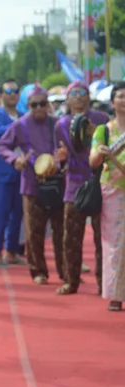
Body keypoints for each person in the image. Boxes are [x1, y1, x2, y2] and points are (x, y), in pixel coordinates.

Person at [0, 86, 65, 285]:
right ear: (28, 106)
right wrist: (15, 159)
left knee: (61, 230)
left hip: (57, 181)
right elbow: (2, 145)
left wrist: (62, 158)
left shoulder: (58, 124)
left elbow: (69, 147)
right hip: (32, 184)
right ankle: (38, 271)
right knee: (34, 231)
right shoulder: (20, 125)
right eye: (34, 105)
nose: (39, 108)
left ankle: (65, 271)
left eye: (43, 104)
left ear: (48, 104)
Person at [54, 81, 109, 295]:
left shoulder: (102, 120)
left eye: (82, 93)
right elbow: (59, 155)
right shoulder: (61, 124)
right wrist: (60, 160)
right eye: (74, 94)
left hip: (98, 182)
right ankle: (71, 280)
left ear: (88, 97)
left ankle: (104, 282)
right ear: (68, 99)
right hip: (74, 184)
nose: (78, 97)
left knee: (101, 237)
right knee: (71, 237)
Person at [89, 81, 125, 311]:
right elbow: (92, 161)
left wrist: (112, 158)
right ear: (112, 103)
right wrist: (102, 154)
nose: (124, 100)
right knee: (113, 244)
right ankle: (114, 294)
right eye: (120, 96)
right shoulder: (104, 130)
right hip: (112, 190)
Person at [0, 79, 25, 268]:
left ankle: (12, 252)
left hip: (22, 171)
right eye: (8, 91)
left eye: (15, 91)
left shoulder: (24, 114)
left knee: (18, 214)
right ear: (1, 95)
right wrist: (20, 129)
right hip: (0, 172)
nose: (12, 94)